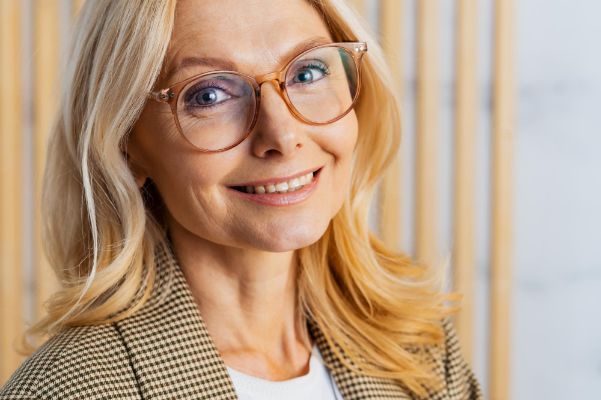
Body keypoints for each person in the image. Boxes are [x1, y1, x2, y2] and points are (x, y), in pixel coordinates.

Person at [0, 0, 483, 399]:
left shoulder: (420, 352)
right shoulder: (69, 390)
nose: (283, 134)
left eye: (309, 71)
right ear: (126, 142)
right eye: (209, 95)